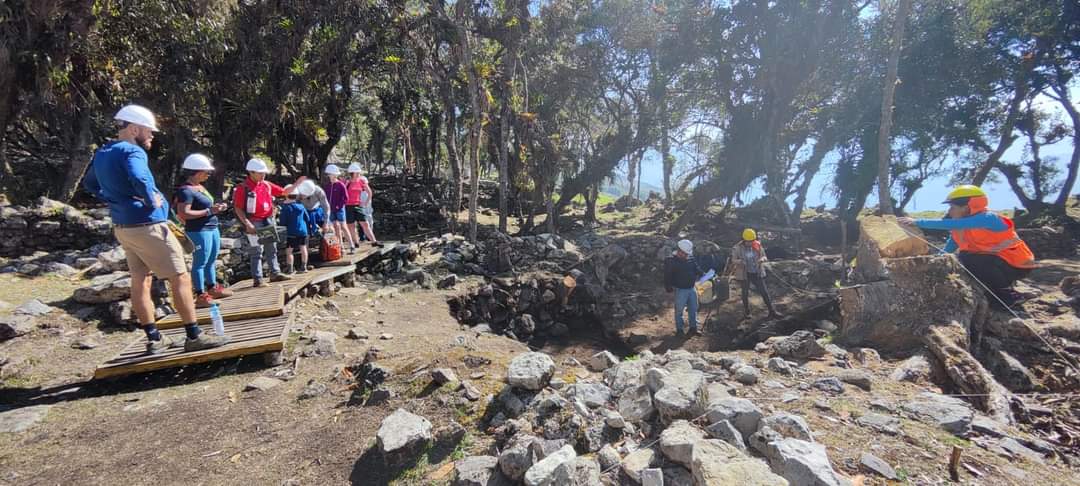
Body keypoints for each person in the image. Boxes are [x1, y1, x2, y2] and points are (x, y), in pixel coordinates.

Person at [83, 105, 229, 353]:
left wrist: (117, 201)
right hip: (148, 224)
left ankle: (154, 339)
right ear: (134, 128)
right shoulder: (133, 151)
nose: (152, 136)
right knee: (180, 276)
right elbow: (140, 179)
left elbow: (90, 183)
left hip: (124, 226)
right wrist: (150, 200)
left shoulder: (104, 152)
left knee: (140, 279)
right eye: (149, 131)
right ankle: (194, 336)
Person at [899, 185, 1036, 306]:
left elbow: (953, 224)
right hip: (1000, 263)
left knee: (969, 258)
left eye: (952, 207)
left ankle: (1009, 295)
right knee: (965, 257)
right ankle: (998, 290)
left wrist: (918, 222)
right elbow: (951, 245)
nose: (950, 212)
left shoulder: (988, 218)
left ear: (966, 207)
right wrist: (937, 259)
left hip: (1018, 265)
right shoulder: (962, 225)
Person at [232, 158, 305, 287]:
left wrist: (296, 185)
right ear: (251, 172)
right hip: (254, 222)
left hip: (267, 220)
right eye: (260, 173)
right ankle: (258, 279)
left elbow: (283, 192)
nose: (263, 175)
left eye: (264, 172)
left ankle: (275, 273)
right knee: (256, 251)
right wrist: (247, 224)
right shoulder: (242, 188)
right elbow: (238, 208)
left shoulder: (266, 185)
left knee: (271, 248)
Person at [174, 153, 233, 308]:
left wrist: (216, 208)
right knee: (200, 262)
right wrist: (209, 212)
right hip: (198, 230)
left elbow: (206, 207)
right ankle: (200, 295)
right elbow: (183, 213)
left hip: (211, 227)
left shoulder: (199, 187)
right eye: (207, 172)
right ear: (198, 171)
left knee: (211, 259)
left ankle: (212, 288)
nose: (208, 175)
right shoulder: (186, 191)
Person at [726, 229, 781, 319]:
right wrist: (740, 261)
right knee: (745, 293)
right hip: (744, 274)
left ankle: (772, 311)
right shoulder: (737, 248)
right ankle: (747, 312)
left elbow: (764, 256)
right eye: (749, 241)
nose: (751, 243)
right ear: (744, 240)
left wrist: (762, 259)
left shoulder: (757, 244)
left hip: (757, 273)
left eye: (752, 241)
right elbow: (733, 260)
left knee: (764, 292)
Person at [663, 239, 704, 336]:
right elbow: (667, 275)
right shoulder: (670, 261)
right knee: (679, 310)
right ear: (679, 251)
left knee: (693, 308)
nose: (686, 255)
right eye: (684, 253)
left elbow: (697, 269)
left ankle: (693, 328)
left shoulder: (691, 258)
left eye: (687, 253)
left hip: (692, 288)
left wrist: (706, 275)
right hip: (680, 289)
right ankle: (680, 330)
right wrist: (668, 287)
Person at [278, 188, 312, 274]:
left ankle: (290, 269)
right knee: (303, 247)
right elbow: (307, 218)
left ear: (286, 195)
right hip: (303, 230)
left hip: (292, 232)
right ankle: (304, 267)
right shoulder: (301, 206)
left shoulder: (286, 208)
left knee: (289, 251)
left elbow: (283, 222)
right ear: (296, 196)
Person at [323, 164, 353, 251]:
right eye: (329, 174)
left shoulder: (340, 185)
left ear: (336, 174)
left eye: (331, 174)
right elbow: (325, 198)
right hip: (331, 210)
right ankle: (340, 246)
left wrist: (338, 206)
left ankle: (351, 245)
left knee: (343, 226)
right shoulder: (327, 186)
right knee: (336, 226)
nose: (329, 176)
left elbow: (345, 198)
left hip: (339, 210)